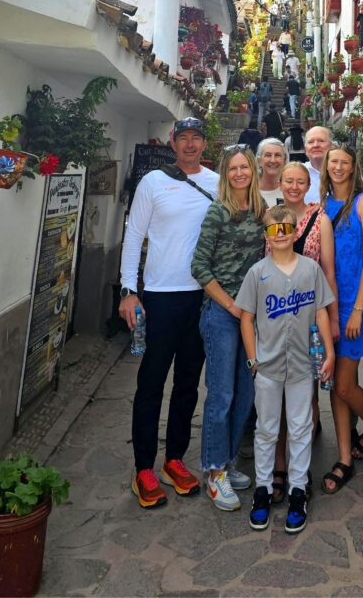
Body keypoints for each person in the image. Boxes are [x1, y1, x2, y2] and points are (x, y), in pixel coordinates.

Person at [119, 117, 219, 509]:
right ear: (172, 143)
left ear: (204, 144)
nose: (191, 145)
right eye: (184, 139)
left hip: (202, 296)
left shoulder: (216, 182)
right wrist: (129, 290)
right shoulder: (153, 182)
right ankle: (143, 466)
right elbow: (133, 234)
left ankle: (174, 459)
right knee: (151, 383)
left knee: (189, 383)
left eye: (197, 138)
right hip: (160, 296)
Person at [238, 204, 335, 534]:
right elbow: (247, 317)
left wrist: (329, 352)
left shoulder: (310, 269)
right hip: (266, 365)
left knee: (299, 427)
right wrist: (252, 360)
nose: (280, 235)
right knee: (266, 430)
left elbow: (321, 311)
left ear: (295, 232)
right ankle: (262, 490)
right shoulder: (257, 273)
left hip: (301, 364)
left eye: (286, 229)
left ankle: (297, 491)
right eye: (273, 230)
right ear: (266, 235)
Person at [191, 145, 267, 511]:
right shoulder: (217, 212)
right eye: (233, 168)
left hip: (250, 318)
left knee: (246, 394)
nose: (239, 173)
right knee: (221, 395)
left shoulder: (261, 210)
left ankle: (229, 459)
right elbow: (199, 267)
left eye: (244, 167)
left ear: (252, 170)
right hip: (222, 315)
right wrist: (231, 306)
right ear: (225, 173)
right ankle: (214, 471)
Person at [320, 143, 363, 495]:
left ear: (353, 165)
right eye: (333, 162)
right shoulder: (321, 206)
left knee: (345, 384)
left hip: (355, 305)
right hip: (329, 304)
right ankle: (344, 455)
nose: (338, 167)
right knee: (335, 387)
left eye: (344, 162)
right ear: (326, 166)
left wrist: (358, 308)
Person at [303, 125, 332, 203]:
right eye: (311, 142)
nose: (315, 145)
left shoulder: (341, 172)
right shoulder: (298, 172)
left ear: (331, 146)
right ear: (305, 148)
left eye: (321, 141)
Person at [256, 137, 286, 206]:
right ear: (259, 160)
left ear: (284, 160)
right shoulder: (250, 191)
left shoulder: (290, 190)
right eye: (268, 155)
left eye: (277, 155)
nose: (273, 160)